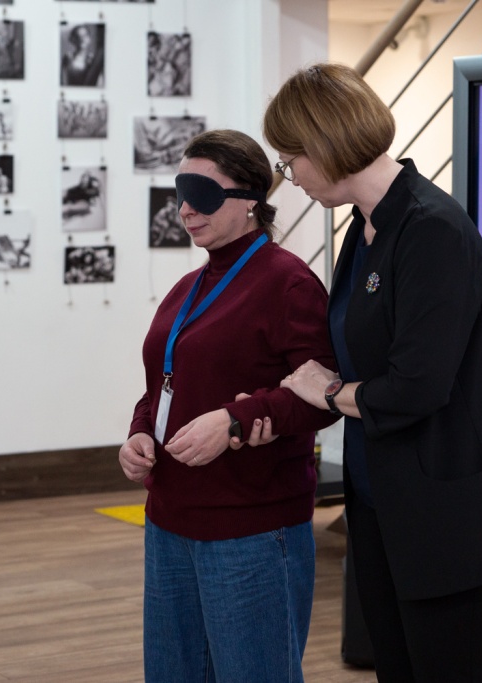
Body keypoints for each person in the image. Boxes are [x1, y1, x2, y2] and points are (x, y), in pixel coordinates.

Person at [263, 63, 482, 682]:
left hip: (445, 511)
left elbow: (417, 387)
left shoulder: (431, 229)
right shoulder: (365, 226)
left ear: (324, 144)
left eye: (291, 162)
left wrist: (329, 392)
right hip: (383, 499)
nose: (291, 178)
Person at [118, 129, 339, 683]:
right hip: (170, 520)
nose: (186, 210)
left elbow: (322, 398)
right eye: (181, 194)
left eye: (203, 194)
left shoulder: (289, 284)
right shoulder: (188, 286)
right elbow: (163, 382)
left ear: (250, 200)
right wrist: (140, 431)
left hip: (250, 530)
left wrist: (236, 421)